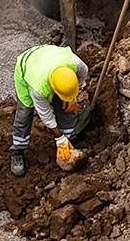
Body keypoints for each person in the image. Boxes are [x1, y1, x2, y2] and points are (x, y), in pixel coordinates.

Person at [9, 42, 89, 176]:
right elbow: (45, 114)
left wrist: (72, 97)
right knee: (24, 113)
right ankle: (17, 150)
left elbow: (82, 76)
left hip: (49, 57)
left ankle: (70, 141)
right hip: (27, 69)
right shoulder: (38, 88)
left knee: (65, 107)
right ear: (52, 87)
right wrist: (59, 138)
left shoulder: (77, 64)